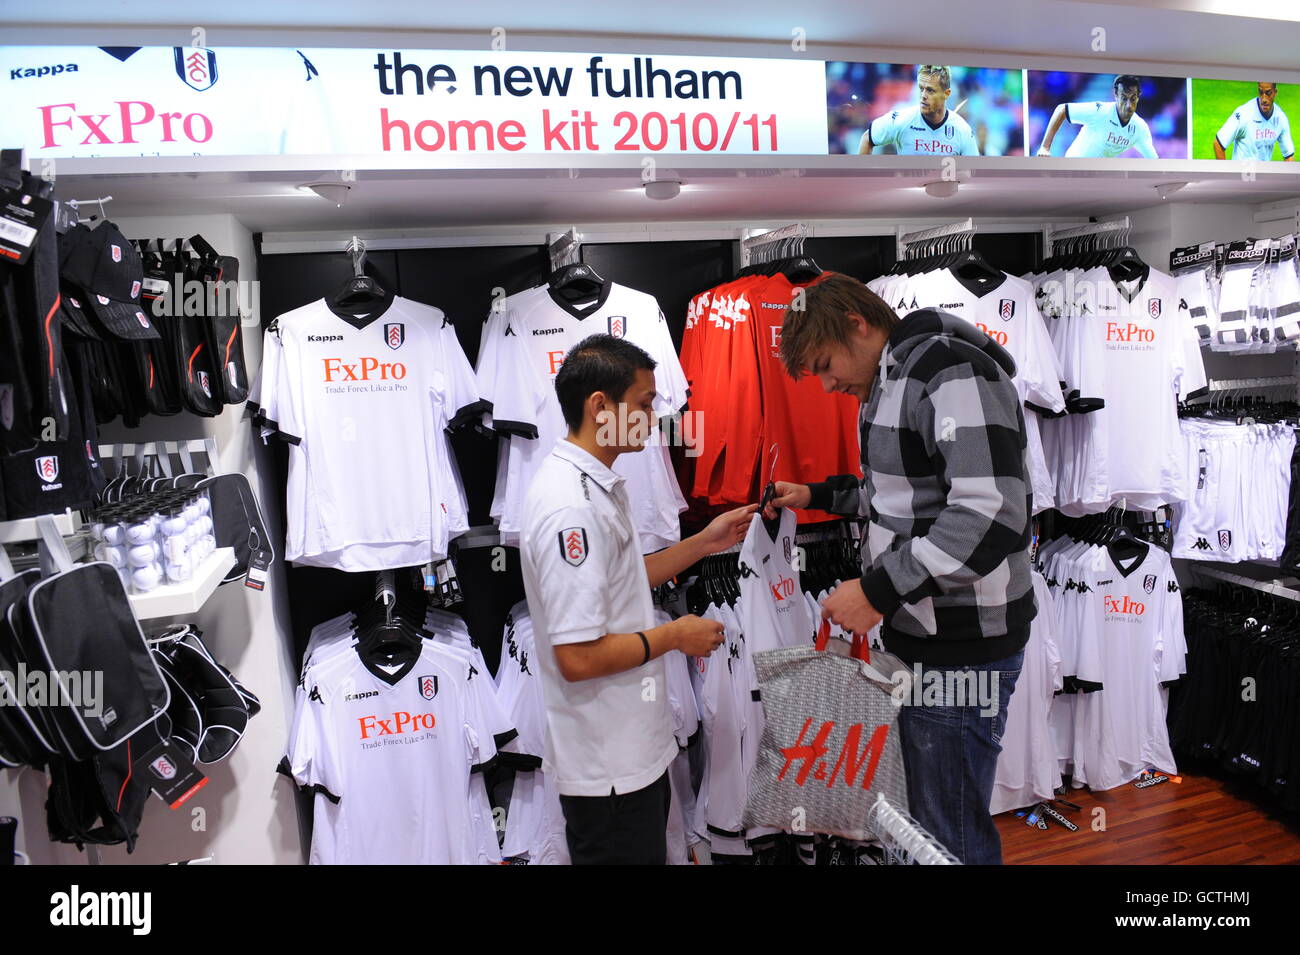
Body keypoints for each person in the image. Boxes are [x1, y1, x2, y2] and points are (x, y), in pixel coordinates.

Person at [764, 273, 1035, 865]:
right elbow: (900, 499)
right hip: (926, 639)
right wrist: (814, 494)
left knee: (948, 834)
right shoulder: (890, 381)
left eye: (826, 363)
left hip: (965, 645)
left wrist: (878, 590)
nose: (828, 382)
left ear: (857, 325)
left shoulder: (948, 373)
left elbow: (991, 514)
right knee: (925, 824)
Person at [518, 333, 756, 865]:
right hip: (608, 768)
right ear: (600, 406)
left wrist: (704, 542)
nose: (653, 418)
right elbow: (577, 658)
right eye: (645, 404)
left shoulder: (594, 485)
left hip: (631, 753)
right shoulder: (569, 507)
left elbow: (623, 578)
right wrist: (675, 636)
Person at [858, 65, 980, 156]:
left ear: (946, 94)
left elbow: (973, 173)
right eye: (921, 88)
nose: (923, 95)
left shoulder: (962, 130)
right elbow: (867, 138)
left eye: (930, 90)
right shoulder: (902, 119)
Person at [1037, 74, 1158, 159]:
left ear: (1138, 97)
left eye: (1133, 99)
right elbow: (1061, 109)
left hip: (1100, 176)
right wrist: (1044, 147)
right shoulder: (1099, 111)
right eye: (1124, 98)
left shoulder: (1140, 128)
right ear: (1115, 95)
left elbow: (1154, 161)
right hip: (1073, 169)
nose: (1128, 105)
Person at [1213, 82, 1294, 162]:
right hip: (1241, 173)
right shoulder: (1244, 114)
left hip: (1263, 174)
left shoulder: (1281, 118)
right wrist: (1226, 174)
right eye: (1261, 92)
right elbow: (1218, 143)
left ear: (1275, 93)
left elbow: (1289, 157)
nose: (1264, 98)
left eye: (1268, 93)